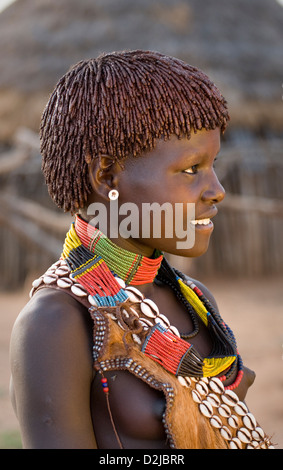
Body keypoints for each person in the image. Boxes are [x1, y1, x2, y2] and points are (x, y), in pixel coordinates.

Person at [10, 50, 273, 449]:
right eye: (191, 169)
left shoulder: (196, 301)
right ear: (107, 175)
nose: (217, 190)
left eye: (214, 164)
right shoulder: (55, 325)